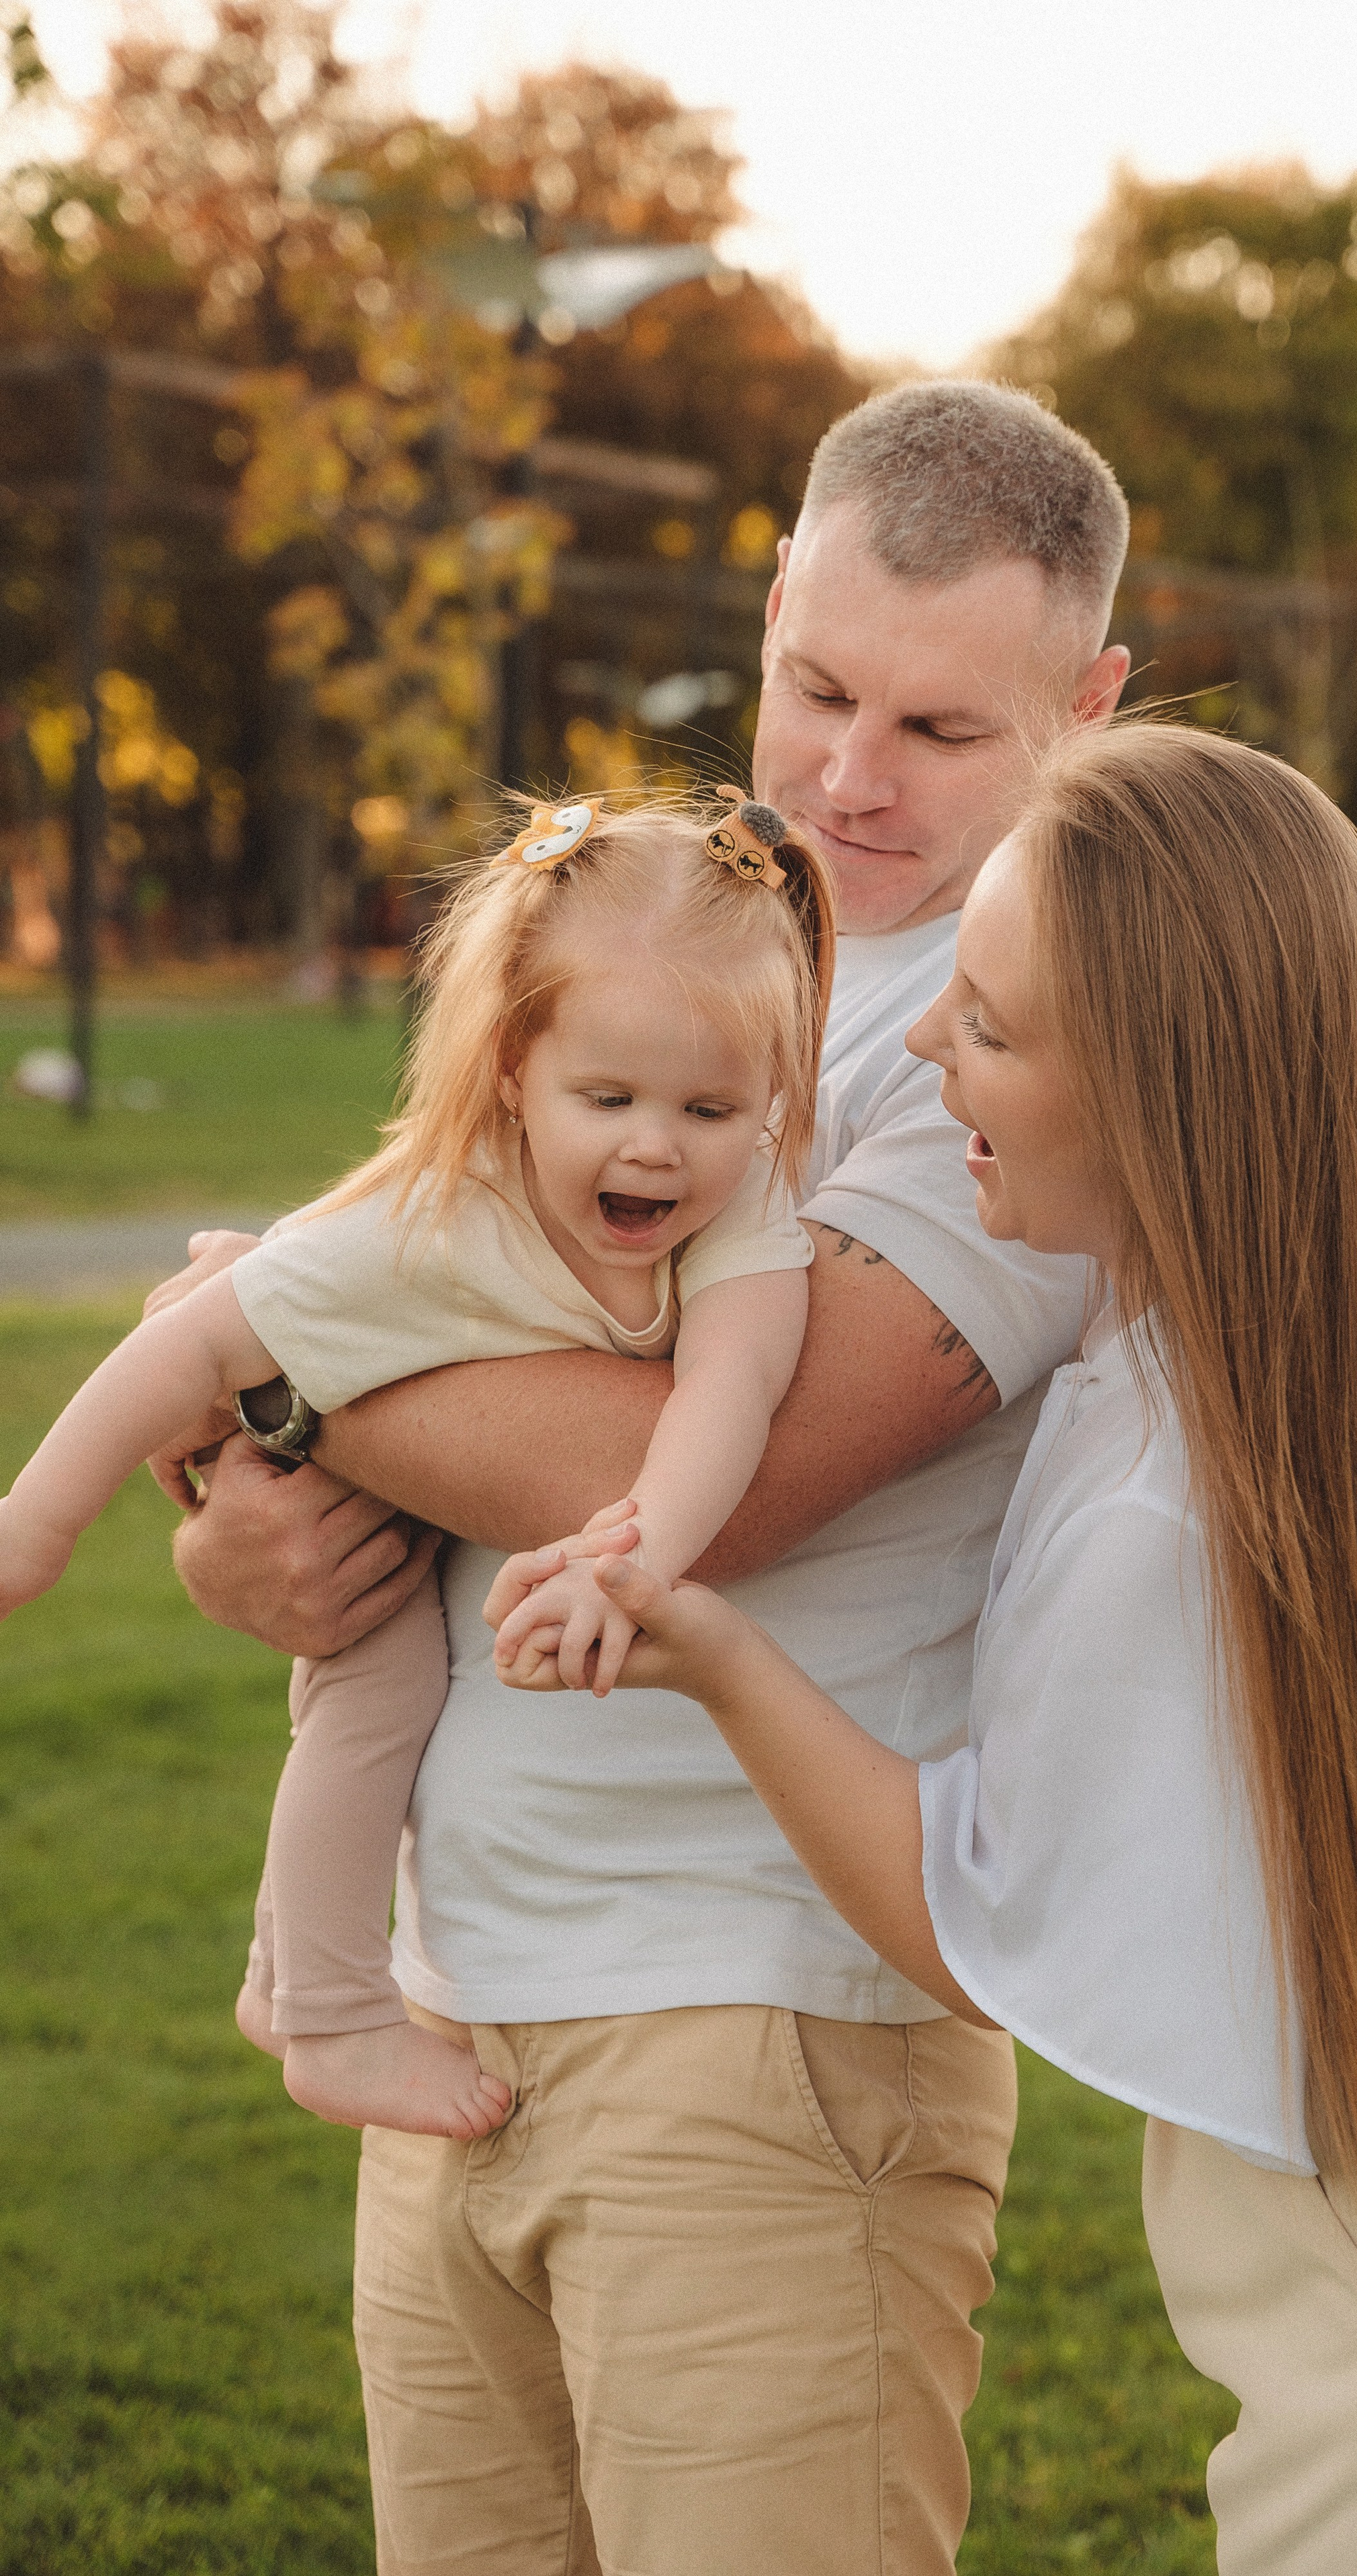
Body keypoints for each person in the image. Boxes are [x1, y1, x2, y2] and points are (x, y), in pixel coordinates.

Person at [152, 382, 1134, 2576]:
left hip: (768, 2027)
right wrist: (237, 1490)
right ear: (771, 601)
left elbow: (724, 1474)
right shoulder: (649, 933)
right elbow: (394, 1298)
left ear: (1091, 706)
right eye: (819, 686)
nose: (855, 776)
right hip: (448, 1989)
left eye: (947, 730)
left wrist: (261, 1344)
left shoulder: (1050, 1029)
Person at [586, 721, 1357, 2576]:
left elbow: (971, 1918)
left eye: (996, 1030)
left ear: (1168, 1089)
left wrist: (712, 1648)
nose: (931, 1055)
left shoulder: (1158, 1505)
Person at [0, 793, 835, 2145]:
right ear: (512, 1069)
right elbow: (196, 1335)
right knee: (375, 1700)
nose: (654, 1145)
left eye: (709, 1105)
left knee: (386, 1701)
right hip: (367, 1490)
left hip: (470, 1480)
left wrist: (631, 1562)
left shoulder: (743, 1203)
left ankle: (291, 1975)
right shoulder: (436, 1220)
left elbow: (726, 1394)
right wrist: (35, 1526)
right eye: (607, 1097)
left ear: (771, 1097)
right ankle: (328, 2013)